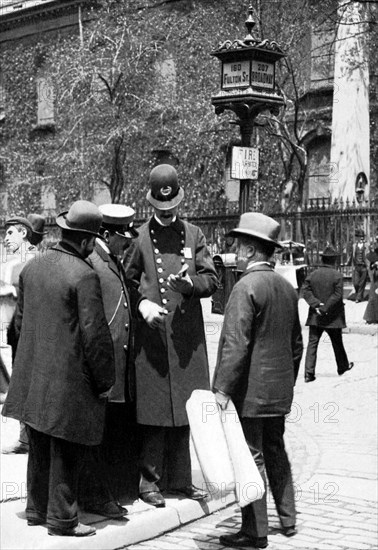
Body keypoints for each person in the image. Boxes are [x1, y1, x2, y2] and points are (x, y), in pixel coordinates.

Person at [2, 200, 115, 537]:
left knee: (37, 441)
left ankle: (36, 509)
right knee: (66, 446)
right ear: (86, 240)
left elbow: (18, 327)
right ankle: (63, 519)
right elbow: (95, 335)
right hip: (68, 379)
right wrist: (105, 378)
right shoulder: (84, 275)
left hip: (34, 372)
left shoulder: (33, 268)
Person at [124, 164, 218, 508]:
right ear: (152, 203)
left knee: (186, 407)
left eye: (172, 206)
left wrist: (191, 284)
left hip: (186, 338)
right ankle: (148, 481)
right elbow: (128, 283)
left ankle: (180, 478)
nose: (168, 213)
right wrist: (143, 305)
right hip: (153, 337)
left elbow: (212, 279)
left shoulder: (194, 235)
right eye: (162, 209)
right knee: (154, 410)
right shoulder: (138, 238)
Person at [212, 212, 303, 549]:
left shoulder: (244, 287)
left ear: (250, 250)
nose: (235, 252)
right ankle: (288, 519)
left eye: (238, 246)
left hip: (250, 393)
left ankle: (255, 531)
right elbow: (297, 345)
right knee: (276, 450)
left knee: (250, 458)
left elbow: (237, 345)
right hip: (278, 392)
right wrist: (286, 381)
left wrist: (222, 388)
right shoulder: (286, 287)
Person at [79, 203, 139, 519]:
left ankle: (106, 492)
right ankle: (96, 496)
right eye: (122, 236)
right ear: (106, 234)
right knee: (98, 438)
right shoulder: (95, 264)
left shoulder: (109, 259)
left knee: (111, 434)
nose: (128, 242)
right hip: (103, 367)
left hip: (117, 364)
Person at [1, 216, 36, 450]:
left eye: (10, 233)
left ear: (24, 233)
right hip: (16, 332)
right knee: (22, 384)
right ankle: (25, 436)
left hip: (32, 332)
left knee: (31, 384)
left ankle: (30, 437)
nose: (5, 239)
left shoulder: (34, 261)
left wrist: (10, 291)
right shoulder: (12, 263)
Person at [302, 246, 354, 382]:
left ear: (323, 259)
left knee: (312, 344)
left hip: (316, 315)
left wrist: (316, 304)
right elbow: (337, 295)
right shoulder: (337, 275)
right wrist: (325, 308)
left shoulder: (313, 274)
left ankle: (308, 373)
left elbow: (305, 291)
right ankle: (342, 366)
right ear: (334, 261)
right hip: (333, 317)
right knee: (337, 342)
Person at [348, 229, 368, 302]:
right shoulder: (354, 246)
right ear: (357, 237)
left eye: (362, 236)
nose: (361, 238)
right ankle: (359, 294)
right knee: (356, 283)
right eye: (360, 236)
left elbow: (369, 256)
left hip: (364, 267)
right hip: (356, 267)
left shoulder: (367, 245)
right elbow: (352, 256)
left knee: (362, 283)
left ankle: (358, 298)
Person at [363, 236, 378, 324]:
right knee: (374, 297)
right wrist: (374, 265)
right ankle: (372, 317)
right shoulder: (375, 253)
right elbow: (371, 265)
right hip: (376, 279)